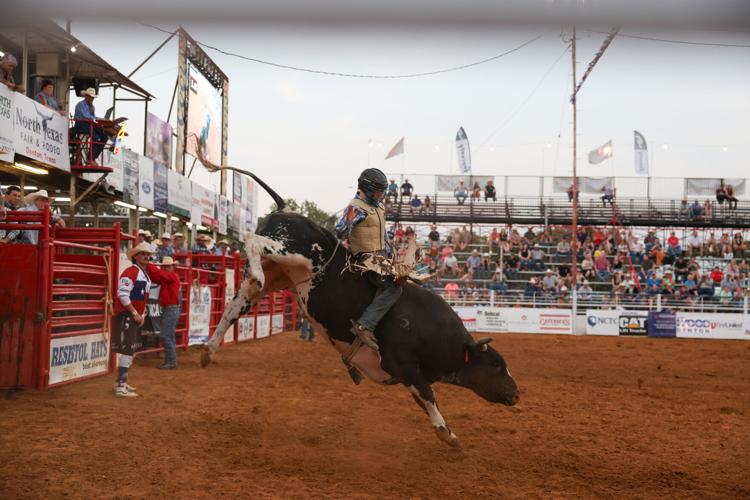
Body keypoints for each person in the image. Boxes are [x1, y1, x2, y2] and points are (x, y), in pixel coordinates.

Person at [335, 168, 401, 350]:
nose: (381, 195)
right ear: (368, 188)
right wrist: (348, 224)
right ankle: (365, 325)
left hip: (381, 259)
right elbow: (340, 231)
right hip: (365, 259)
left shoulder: (378, 207)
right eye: (378, 191)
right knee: (394, 288)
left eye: (383, 191)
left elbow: (382, 235)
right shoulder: (356, 207)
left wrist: (391, 255)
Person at [112, 242, 154, 397]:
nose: (146, 256)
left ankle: (121, 382)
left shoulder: (141, 274)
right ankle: (121, 385)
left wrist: (140, 314)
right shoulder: (131, 272)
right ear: (135, 257)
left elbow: (142, 297)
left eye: (148, 254)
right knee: (128, 350)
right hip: (127, 315)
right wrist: (136, 313)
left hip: (133, 315)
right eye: (143, 254)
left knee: (131, 350)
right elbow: (122, 294)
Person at [146, 256, 182, 369]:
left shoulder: (172, 276)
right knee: (169, 336)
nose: (166, 268)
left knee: (166, 336)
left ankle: (171, 362)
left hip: (171, 309)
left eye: (168, 266)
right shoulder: (169, 277)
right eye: (164, 266)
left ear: (172, 267)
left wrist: (148, 263)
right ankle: (171, 361)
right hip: (170, 309)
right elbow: (155, 276)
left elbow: (157, 274)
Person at [74, 87, 118, 165]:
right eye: (91, 97)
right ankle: (90, 159)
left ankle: (92, 158)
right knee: (96, 137)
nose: (92, 99)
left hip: (89, 124)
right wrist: (95, 116)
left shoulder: (90, 106)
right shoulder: (81, 104)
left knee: (104, 137)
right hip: (81, 123)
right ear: (86, 96)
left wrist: (96, 118)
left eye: (92, 97)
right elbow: (86, 116)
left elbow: (92, 118)